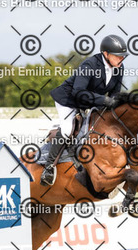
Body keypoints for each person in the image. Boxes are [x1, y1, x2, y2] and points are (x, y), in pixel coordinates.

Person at [41, 34, 129, 186]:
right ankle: (49, 168)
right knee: (67, 130)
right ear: (106, 54)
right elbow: (78, 92)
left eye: (123, 56)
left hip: (90, 103)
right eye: (118, 56)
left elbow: (114, 94)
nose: (121, 59)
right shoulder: (90, 65)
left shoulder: (118, 68)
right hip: (68, 100)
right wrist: (104, 100)